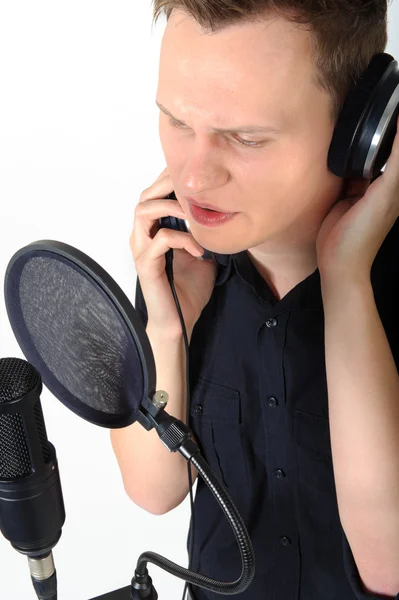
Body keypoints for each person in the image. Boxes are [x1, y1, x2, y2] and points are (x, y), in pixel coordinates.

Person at [111, 2, 399, 599]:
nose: (192, 179)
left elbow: (390, 565)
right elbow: (153, 490)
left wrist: (346, 280)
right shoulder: (176, 255)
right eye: (176, 122)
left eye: (245, 138)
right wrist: (167, 327)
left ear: (362, 132)